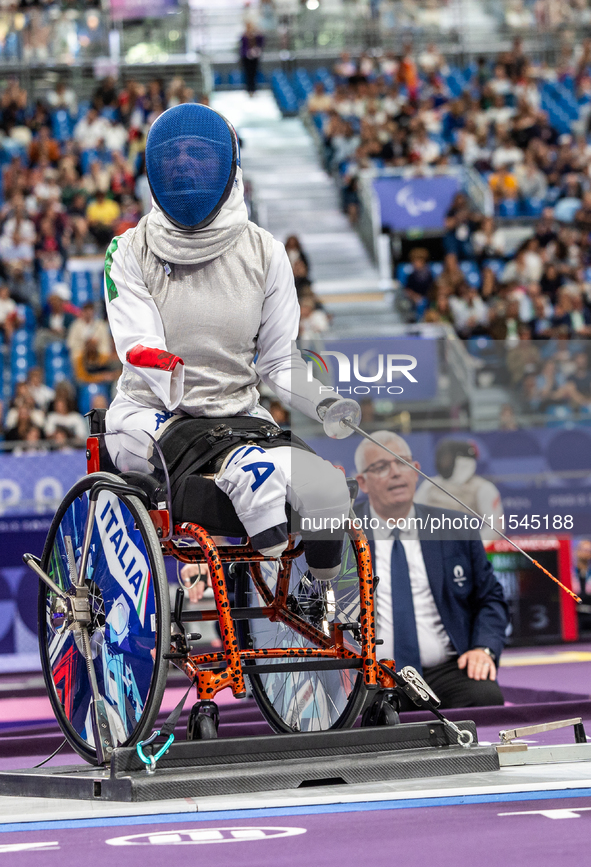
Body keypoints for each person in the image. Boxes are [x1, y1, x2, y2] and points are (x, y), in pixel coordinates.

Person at [104, 103, 360, 586]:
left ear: (229, 166)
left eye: (197, 152)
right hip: (153, 418)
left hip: (239, 421)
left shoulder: (266, 252)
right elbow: (138, 345)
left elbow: (280, 360)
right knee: (254, 496)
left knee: (326, 489)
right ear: (154, 168)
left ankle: (321, 600)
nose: (182, 163)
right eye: (172, 155)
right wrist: (189, 389)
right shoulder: (128, 250)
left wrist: (323, 401)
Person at [354, 430, 508, 709]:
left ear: (416, 470)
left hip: (445, 670)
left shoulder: (456, 529)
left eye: (402, 463)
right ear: (362, 482)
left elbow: (490, 598)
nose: (395, 472)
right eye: (381, 467)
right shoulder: (342, 536)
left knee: (486, 698)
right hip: (371, 673)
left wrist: (483, 649)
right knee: (356, 717)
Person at [240, 22, 264, 98]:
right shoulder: (244, 36)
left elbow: (261, 41)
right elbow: (243, 47)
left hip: (254, 58)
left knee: (254, 74)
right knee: (248, 74)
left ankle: (254, 89)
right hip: (246, 58)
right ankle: (248, 90)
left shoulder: (256, 36)